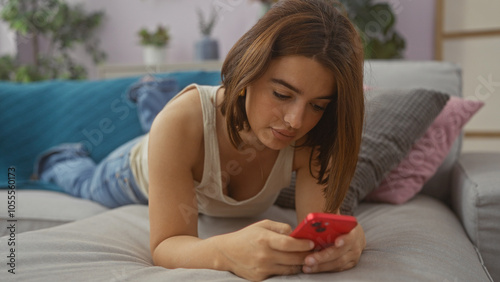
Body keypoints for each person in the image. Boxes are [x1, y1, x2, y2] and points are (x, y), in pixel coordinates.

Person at [35, 0, 366, 280]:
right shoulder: (182, 123)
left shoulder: (316, 136)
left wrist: (351, 241)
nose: (296, 121)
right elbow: (166, 246)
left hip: (184, 142)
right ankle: (66, 157)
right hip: (129, 172)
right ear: (248, 72)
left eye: (318, 105)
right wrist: (224, 252)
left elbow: (321, 223)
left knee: (176, 130)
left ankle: (152, 95)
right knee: (85, 178)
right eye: (282, 94)